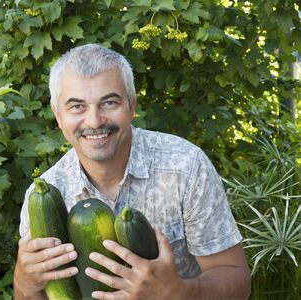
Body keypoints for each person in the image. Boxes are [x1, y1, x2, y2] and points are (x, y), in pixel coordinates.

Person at [14, 44, 251, 299]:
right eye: (77, 106)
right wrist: (24, 285)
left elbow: (236, 279)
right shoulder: (46, 193)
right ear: (58, 116)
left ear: (131, 106)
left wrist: (180, 292)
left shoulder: (185, 167)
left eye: (109, 102)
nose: (94, 121)